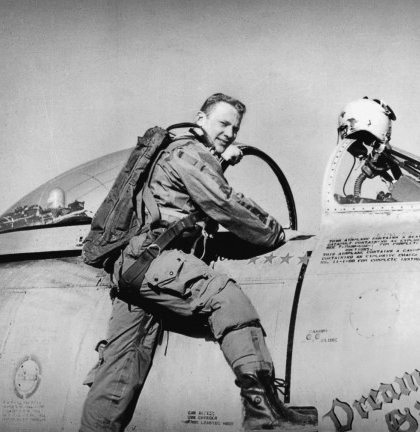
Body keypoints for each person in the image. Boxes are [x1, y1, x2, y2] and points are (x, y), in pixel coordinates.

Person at [79, 93, 317, 431]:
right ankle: (265, 412)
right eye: (223, 123)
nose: (229, 133)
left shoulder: (181, 153)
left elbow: (187, 209)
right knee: (226, 299)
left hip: (133, 271)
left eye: (235, 129)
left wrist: (219, 157)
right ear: (200, 119)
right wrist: (276, 234)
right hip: (154, 260)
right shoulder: (189, 152)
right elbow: (226, 202)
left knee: (116, 378)